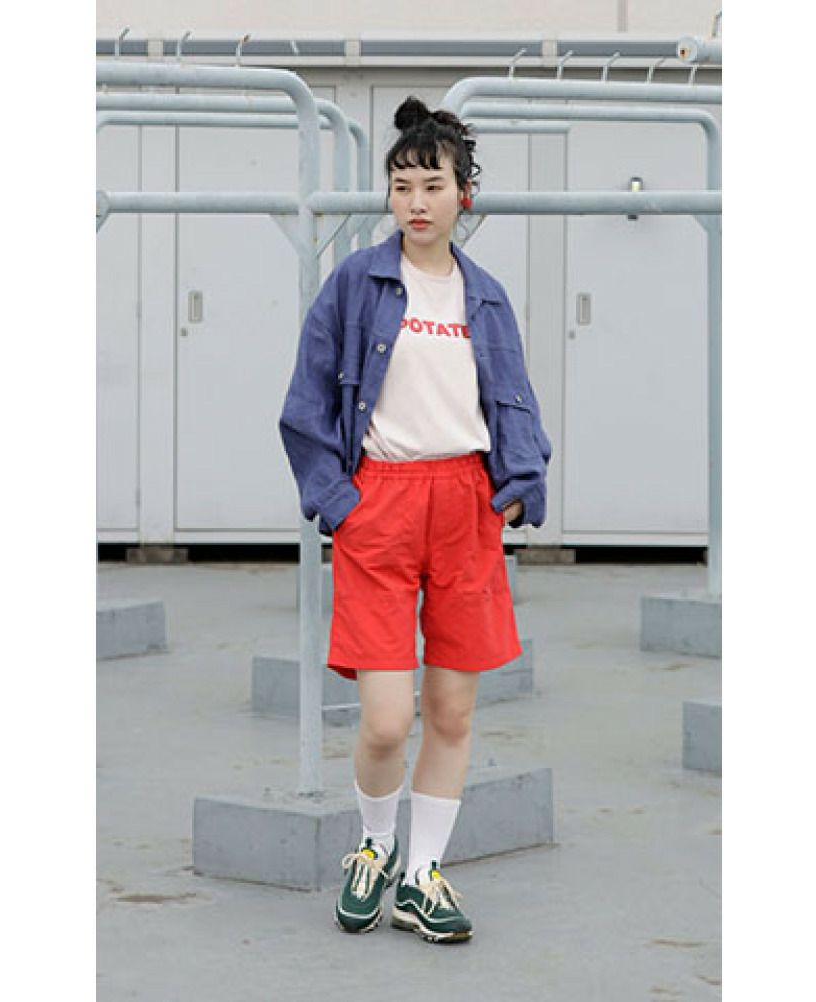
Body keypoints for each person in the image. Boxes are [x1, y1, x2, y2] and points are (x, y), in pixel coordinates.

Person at [279, 95, 552, 944]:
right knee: (386, 717)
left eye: (433, 185)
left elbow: (514, 399)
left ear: (463, 194)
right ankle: (374, 846)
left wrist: (519, 486)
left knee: (453, 712)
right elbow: (305, 404)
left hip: (466, 505)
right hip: (383, 504)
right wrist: (341, 505)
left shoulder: (487, 296)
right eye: (402, 187)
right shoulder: (356, 283)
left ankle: (422, 877)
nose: (417, 202)